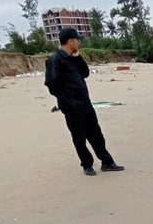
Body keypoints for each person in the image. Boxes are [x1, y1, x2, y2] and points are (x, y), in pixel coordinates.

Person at [44, 28, 124, 176]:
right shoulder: (55, 59)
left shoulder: (74, 56)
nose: (79, 42)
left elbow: (85, 73)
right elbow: (51, 84)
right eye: (77, 39)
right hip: (71, 106)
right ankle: (87, 165)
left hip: (85, 103)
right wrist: (66, 99)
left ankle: (107, 162)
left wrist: (78, 58)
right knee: (79, 137)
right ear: (70, 41)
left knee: (96, 134)